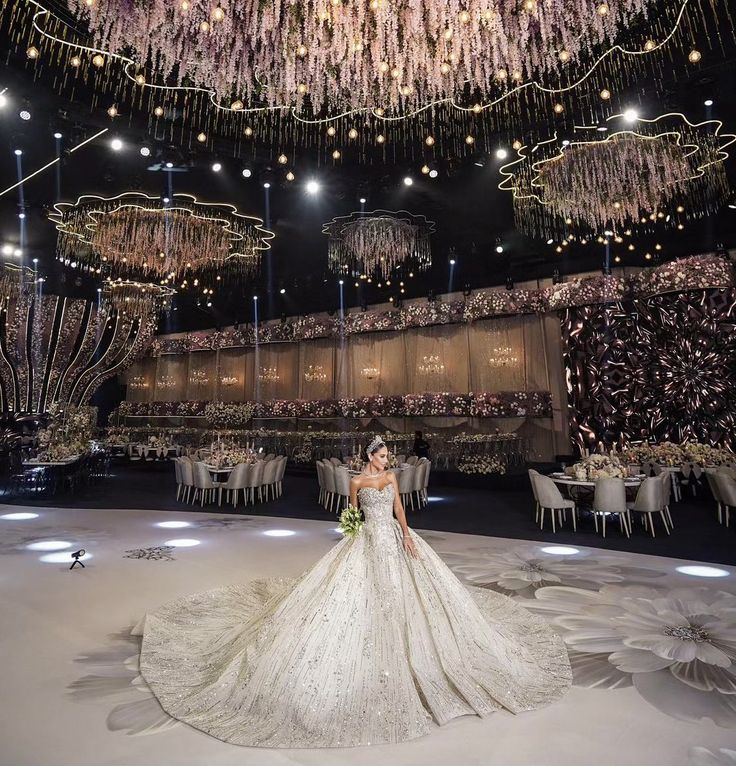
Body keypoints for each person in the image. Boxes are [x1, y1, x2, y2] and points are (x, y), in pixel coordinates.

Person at [132, 435, 571, 748]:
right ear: (370, 457)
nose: (387, 459)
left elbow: (399, 508)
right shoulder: (358, 483)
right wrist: (353, 532)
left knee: (412, 594)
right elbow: (350, 514)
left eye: (388, 455)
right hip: (365, 542)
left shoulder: (392, 480)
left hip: (393, 541)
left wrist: (408, 534)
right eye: (382, 454)